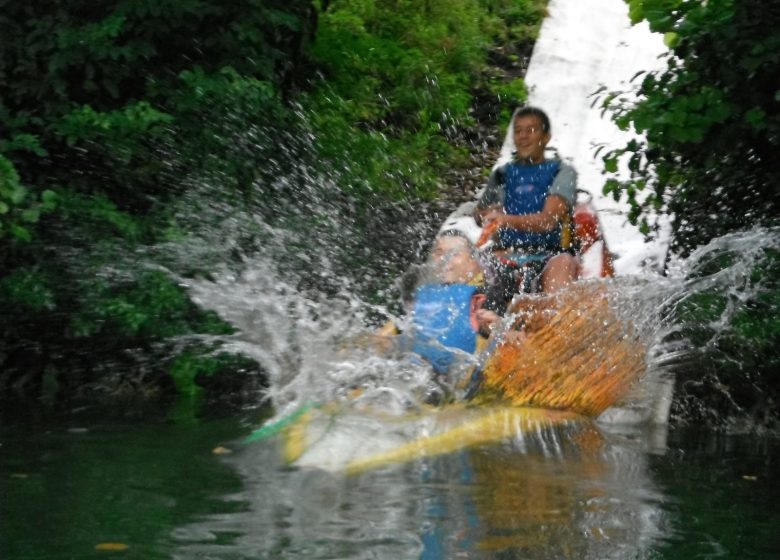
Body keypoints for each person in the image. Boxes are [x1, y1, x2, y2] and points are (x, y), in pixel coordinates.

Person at [474, 106, 579, 294]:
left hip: (550, 254)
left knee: (563, 264)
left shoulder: (562, 172)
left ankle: (557, 320)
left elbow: (548, 221)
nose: (523, 136)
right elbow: (480, 214)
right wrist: (485, 215)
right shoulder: (502, 174)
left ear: (545, 137)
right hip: (504, 252)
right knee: (470, 263)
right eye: (518, 131)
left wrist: (505, 220)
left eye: (531, 130)